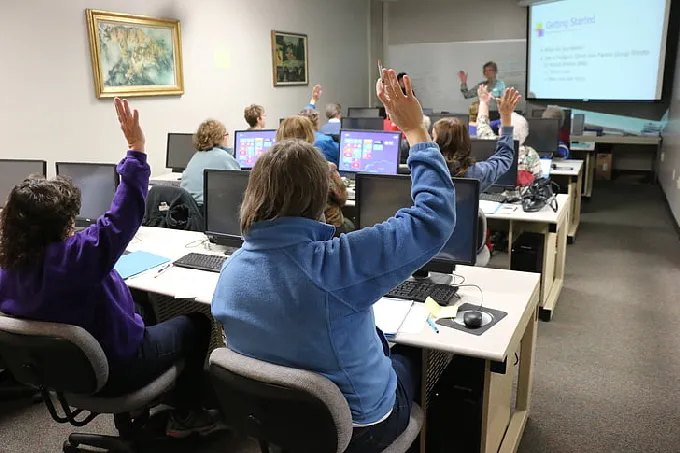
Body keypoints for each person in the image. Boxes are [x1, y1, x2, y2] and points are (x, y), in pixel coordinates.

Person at [211, 69, 456, 453]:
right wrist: (417, 133)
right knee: (414, 360)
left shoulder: (231, 270)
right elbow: (433, 218)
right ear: (319, 194)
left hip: (279, 421)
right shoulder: (338, 264)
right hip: (359, 427)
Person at [0, 98, 224, 438]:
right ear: (64, 226)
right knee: (195, 323)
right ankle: (186, 415)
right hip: (120, 366)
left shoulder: (8, 264)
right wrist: (136, 148)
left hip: (63, 374)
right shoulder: (78, 257)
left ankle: (146, 405)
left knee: (144, 305)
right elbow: (124, 214)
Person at [276, 115, 353, 235]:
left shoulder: (271, 170)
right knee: (350, 224)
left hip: (288, 232)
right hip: (326, 229)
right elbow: (342, 197)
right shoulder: (325, 167)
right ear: (310, 135)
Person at [433, 87, 521, 191]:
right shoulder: (477, 173)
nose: (431, 141)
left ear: (440, 143)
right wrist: (506, 116)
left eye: (433, 137)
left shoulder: (425, 171)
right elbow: (504, 156)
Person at [476, 85, 542, 184]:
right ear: (525, 133)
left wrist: (484, 101)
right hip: (521, 198)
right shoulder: (531, 154)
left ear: (501, 131)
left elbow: (482, 123)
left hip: (490, 196)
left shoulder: (491, 143)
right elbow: (538, 181)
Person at [180, 119, 239, 205]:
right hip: (208, 210)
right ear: (220, 137)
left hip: (191, 210)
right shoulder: (223, 158)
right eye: (226, 135)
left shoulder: (196, 157)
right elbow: (239, 186)